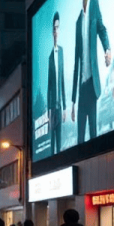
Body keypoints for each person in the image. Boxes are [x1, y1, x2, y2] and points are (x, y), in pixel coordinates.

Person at [72, 0, 112, 143]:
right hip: (81, 87)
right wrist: (72, 102)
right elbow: (75, 64)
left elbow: (102, 30)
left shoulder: (95, 5)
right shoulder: (78, 21)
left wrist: (108, 49)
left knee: (94, 134)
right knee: (80, 138)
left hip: (92, 85)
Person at [48, 11, 67, 155]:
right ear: (52, 32)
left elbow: (62, 81)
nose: (56, 30)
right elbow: (50, 85)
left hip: (60, 106)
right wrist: (49, 110)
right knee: (52, 143)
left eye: (58, 27)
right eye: (54, 28)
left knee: (59, 142)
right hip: (52, 109)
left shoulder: (61, 52)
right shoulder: (50, 56)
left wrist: (65, 106)